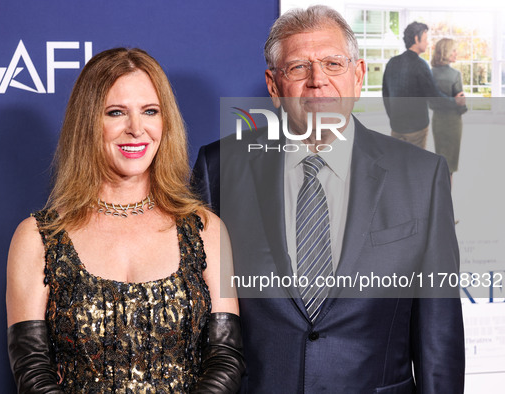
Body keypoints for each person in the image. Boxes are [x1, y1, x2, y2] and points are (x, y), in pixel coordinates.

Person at [193, 6, 464, 393]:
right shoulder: (218, 168)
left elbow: (440, 332)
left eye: (333, 64)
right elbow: (200, 325)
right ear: (273, 85)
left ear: (358, 76)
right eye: (299, 67)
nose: (318, 81)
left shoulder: (422, 175)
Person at [6, 47, 244, 393]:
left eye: (150, 111)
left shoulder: (205, 230)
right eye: (116, 112)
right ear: (88, 123)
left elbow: (225, 358)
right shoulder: (38, 237)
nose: (136, 128)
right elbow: (33, 372)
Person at [382, 21, 466, 149]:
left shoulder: (392, 63)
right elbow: (434, 96)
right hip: (416, 130)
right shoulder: (420, 65)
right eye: (426, 39)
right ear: (417, 38)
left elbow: (386, 95)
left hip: (396, 128)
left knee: (398, 165)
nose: (427, 43)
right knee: (415, 165)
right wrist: (455, 102)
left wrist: (394, 118)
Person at [430, 38, 467, 183]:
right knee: (450, 166)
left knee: (441, 162)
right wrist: (461, 104)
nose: (456, 53)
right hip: (453, 123)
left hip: (438, 122)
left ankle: (440, 199)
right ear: (446, 52)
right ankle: (446, 200)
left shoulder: (430, 73)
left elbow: (431, 102)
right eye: (454, 50)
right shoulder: (455, 74)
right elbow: (461, 105)